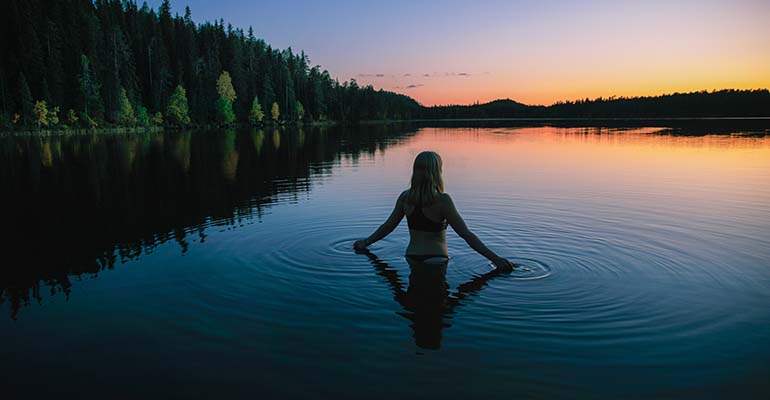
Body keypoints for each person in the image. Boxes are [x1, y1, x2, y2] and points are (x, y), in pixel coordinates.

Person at [354, 151, 516, 270]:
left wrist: (366, 242)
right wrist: (496, 259)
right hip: (436, 259)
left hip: (412, 257)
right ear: (437, 172)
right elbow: (466, 235)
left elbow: (387, 227)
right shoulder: (443, 200)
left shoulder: (405, 197)